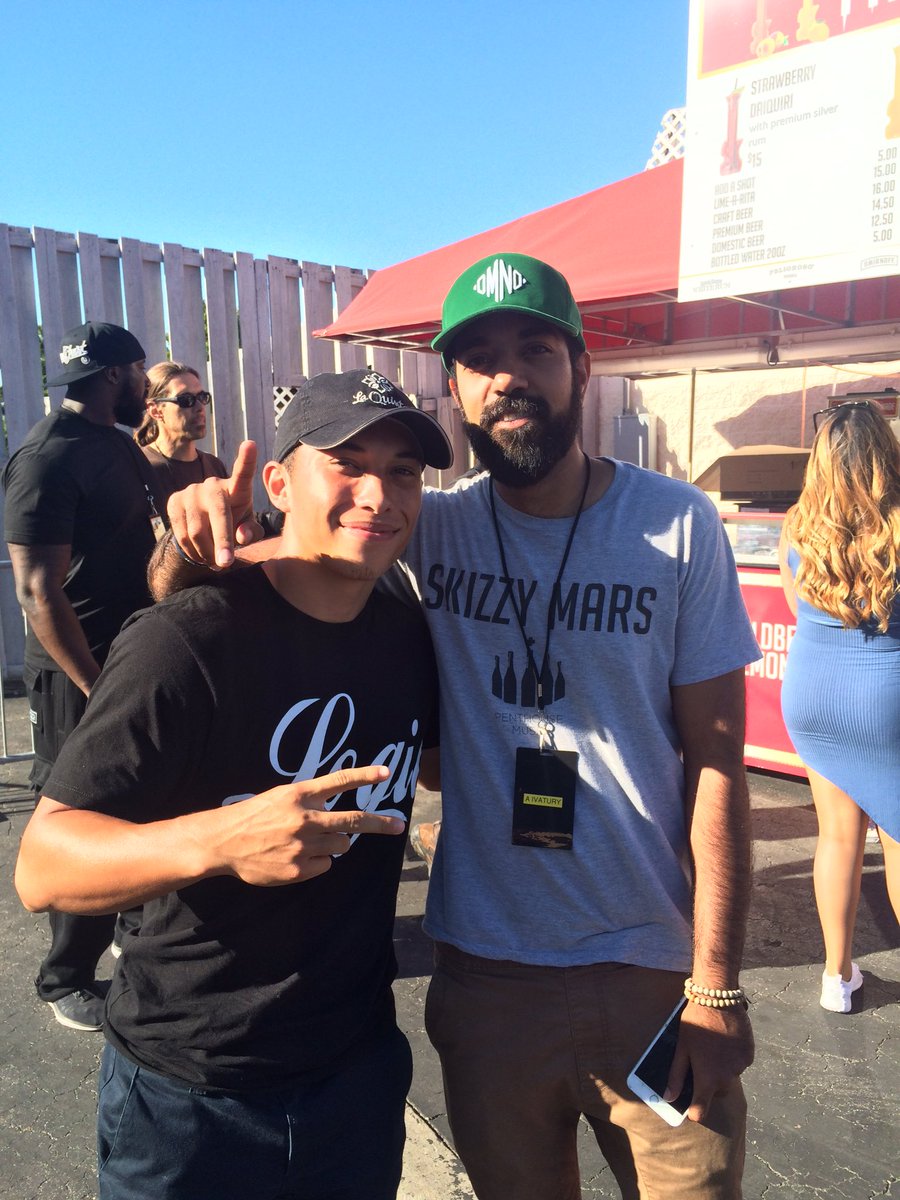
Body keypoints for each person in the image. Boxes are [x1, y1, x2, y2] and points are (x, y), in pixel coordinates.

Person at [150, 254, 761, 1200]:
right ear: (456, 389)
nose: (508, 376)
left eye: (535, 350)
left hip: (650, 972)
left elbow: (718, 760)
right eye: (480, 359)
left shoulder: (676, 526)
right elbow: (233, 569)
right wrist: (186, 536)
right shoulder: (423, 524)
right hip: (486, 980)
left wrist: (716, 986)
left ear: (581, 368)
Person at [15, 368, 452, 1200]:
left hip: (356, 1079)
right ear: (279, 484)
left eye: (403, 471)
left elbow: (433, 765)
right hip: (191, 1096)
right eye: (347, 464)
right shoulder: (188, 639)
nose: (379, 494)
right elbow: (43, 867)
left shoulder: (406, 634)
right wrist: (219, 840)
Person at [2, 320, 155, 1033]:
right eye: (143, 371)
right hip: (77, 674)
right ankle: (63, 977)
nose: (148, 384)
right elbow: (37, 591)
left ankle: (128, 926)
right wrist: (97, 689)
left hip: (127, 658)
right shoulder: (47, 458)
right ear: (116, 373)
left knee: (137, 798)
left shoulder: (113, 444)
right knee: (81, 812)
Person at [779, 400, 900, 1013]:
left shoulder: (798, 525)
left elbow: (794, 601)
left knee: (837, 835)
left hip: (813, 693)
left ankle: (837, 977)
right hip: (883, 696)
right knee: (897, 837)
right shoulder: (897, 524)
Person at [135, 361, 227, 518]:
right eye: (186, 399)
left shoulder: (214, 466)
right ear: (155, 410)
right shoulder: (141, 468)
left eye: (202, 397)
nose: (199, 407)